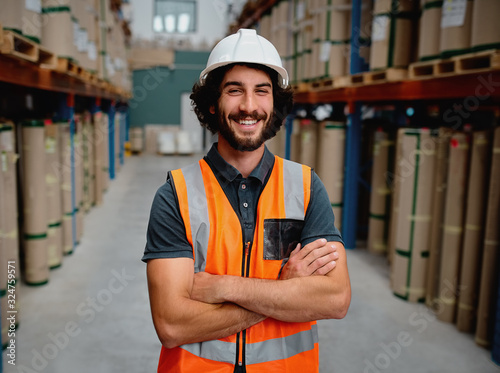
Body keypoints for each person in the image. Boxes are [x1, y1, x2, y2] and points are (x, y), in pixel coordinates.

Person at [143, 28, 351, 373]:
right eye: (234, 90)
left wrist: (224, 286)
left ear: (274, 104)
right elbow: (172, 325)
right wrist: (284, 291)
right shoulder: (175, 195)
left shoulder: (305, 188)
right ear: (213, 102)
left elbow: (335, 299)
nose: (249, 106)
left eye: (262, 91)